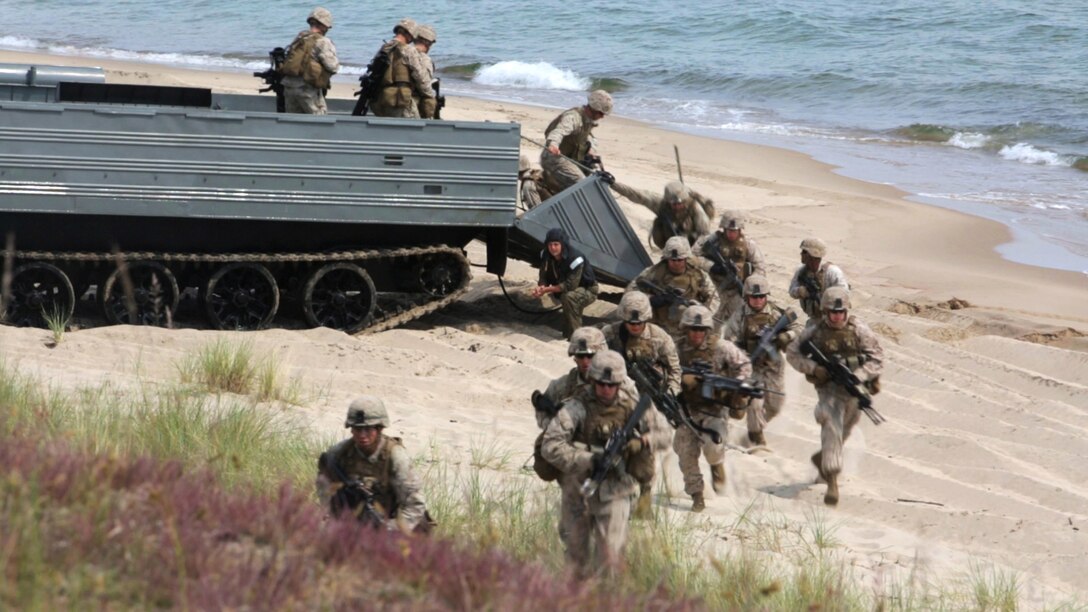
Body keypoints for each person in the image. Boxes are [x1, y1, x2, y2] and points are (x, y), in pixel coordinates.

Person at [542, 350, 654, 577]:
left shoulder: (633, 408)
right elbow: (550, 445)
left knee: (610, 561)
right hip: (579, 487)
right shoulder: (576, 407)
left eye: (611, 385)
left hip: (616, 489)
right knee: (576, 560)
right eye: (601, 384)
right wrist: (589, 459)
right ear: (592, 380)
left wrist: (638, 445)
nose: (605, 390)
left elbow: (659, 439)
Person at [786, 287, 883, 506]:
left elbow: (877, 357)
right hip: (828, 389)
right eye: (832, 312)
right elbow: (792, 353)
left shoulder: (859, 329)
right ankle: (831, 481)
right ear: (825, 311)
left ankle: (823, 460)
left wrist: (859, 376)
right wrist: (813, 368)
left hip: (854, 389)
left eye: (841, 312)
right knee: (831, 426)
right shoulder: (814, 331)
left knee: (845, 429)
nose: (837, 317)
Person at [602, 290, 680, 518]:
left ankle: (644, 497)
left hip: (650, 402)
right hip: (618, 397)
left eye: (639, 323)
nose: (635, 327)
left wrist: (671, 394)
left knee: (645, 449)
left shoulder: (660, 338)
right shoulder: (610, 335)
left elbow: (675, 369)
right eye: (630, 323)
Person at [674, 305, 751, 511]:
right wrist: (680, 380)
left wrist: (739, 382)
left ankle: (716, 465)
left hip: (715, 409)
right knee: (685, 452)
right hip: (687, 409)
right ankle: (696, 495)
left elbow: (743, 365)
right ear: (685, 329)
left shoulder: (721, 347)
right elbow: (664, 369)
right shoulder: (677, 348)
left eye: (701, 330)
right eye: (693, 329)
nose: (697, 334)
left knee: (713, 447)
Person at [316, 396, 430, 533]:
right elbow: (324, 486)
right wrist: (333, 518)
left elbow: (415, 504)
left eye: (368, 429)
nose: (362, 435)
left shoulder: (395, 457)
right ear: (351, 430)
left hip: (392, 520)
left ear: (379, 428)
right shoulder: (339, 454)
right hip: (355, 519)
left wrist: (390, 528)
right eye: (358, 429)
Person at [722, 274, 803, 448]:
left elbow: (798, 327)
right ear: (747, 297)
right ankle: (755, 435)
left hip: (773, 367)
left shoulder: (775, 313)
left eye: (761, 296)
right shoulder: (740, 316)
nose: (758, 300)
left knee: (775, 406)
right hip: (750, 368)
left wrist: (784, 336)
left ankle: (756, 426)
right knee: (755, 401)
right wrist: (741, 356)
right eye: (754, 297)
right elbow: (728, 342)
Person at [627, 236, 720, 338]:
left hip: (686, 330)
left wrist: (700, 312)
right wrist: (651, 299)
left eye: (679, 260)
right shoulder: (653, 272)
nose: (676, 263)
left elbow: (714, 299)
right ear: (667, 259)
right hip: (656, 327)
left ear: (686, 259)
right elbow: (630, 291)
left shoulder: (699, 275)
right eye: (672, 260)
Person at [693, 210, 767, 324]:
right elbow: (692, 256)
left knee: (743, 319)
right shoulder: (712, 240)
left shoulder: (748, 244)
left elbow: (760, 267)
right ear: (723, 228)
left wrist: (749, 285)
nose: (731, 234)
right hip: (714, 286)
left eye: (734, 231)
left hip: (737, 289)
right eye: (729, 230)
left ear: (740, 229)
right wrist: (712, 266)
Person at [531, 227, 599, 339]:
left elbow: (570, 286)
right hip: (566, 289)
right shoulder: (546, 255)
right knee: (567, 298)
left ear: (563, 244)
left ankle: (577, 336)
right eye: (550, 244)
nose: (553, 248)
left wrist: (547, 290)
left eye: (556, 244)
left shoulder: (575, 258)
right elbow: (543, 274)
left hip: (588, 289)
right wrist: (541, 287)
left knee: (569, 298)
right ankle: (568, 334)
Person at [540, 90, 613, 193]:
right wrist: (553, 145)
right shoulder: (573, 118)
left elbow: (587, 137)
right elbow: (559, 131)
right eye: (601, 113)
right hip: (555, 158)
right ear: (593, 109)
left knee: (597, 176)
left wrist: (591, 150)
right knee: (581, 182)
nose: (602, 116)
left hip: (572, 158)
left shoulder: (588, 120)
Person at [610, 180, 715, 249]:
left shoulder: (695, 208)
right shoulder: (662, 205)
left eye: (680, 204)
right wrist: (613, 184)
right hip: (669, 245)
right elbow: (637, 195)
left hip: (692, 246)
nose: (677, 207)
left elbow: (705, 235)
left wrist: (691, 251)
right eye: (674, 204)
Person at [368, 18, 436, 118]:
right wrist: (431, 96)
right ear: (409, 34)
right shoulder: (409, 51)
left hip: (382, 100)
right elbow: (422, 79)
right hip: (401, 103)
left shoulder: (385, 48)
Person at [280, 7, 340, 115]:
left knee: (292, 122)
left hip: (289, 86)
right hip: (307, 89)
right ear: (325, 25)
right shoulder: (323, 41)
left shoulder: (300, 37)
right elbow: (333, 67)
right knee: (318, 123)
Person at [788, 237, 849, 319]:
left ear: (811, 255)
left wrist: (828, 299)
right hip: (814, 318)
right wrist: (799, 291)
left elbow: (844, 293)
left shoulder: (832, 272)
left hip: (833, 318)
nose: (801, 254)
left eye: (804, 252)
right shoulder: (801, 271)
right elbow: (791, 291)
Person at [412, 24, 440, 119]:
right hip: (411, 102)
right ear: (428, 43)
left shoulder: (405, 52)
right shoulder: (424, 59)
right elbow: (424, 85)